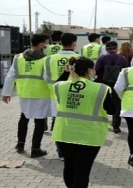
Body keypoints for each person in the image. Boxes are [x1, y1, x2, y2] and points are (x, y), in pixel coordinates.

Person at [52, 56, 114, 188]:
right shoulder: (101, 89)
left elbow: (59, 82)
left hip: (64, 134)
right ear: (90, 70)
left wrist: (68, 71)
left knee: (69, 166)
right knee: (82, 171)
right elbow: (112, 110)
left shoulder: (60, 86)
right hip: (89, 136)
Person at [1, 33, 51, 158]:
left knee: (24, 118)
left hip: (24, 93)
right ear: (41, 44)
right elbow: (47, 78)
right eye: (46, 43)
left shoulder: (18, 58)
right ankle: (35, 149)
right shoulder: (46, 60)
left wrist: (6, 93)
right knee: (39, 121)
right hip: (41, 94)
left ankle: (20, 144)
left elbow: (10, 76)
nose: (47, 45)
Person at [43, 33, 79, 158]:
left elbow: (45, 78)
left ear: (60, 43)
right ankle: (72, 148)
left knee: (58, 123)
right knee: (72, 123)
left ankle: (60, 151)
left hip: (55, 95)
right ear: (74, 43)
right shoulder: (79, 58)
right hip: (75, 95)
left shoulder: (48, 59)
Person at [95, 41, 129, 133]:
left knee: (101, 104)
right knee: (117, 105)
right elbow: (126, 72)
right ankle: (116, 126)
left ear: (106, 49)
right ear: (116, 48)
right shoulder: (122, 59)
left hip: (103, 84)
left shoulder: (102, 58)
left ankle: (101, 123)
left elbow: (97, 70)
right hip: (117, 84)